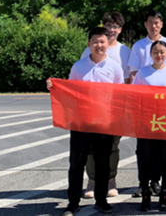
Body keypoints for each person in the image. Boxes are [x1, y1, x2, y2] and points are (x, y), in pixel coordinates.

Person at [49, 26, 122, 216]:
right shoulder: (78, 66)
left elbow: (121, 95)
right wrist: (55, 87)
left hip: (104, 123)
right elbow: (69, 92)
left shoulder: (114, 67)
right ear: (89, 44)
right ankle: (73, 202)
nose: (99, 45)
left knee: (102, 163)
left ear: (108, 44)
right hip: (81, 123)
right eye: (95, 41)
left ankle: (101, 200)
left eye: (102, 41)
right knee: (77, 163)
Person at [127, 11, 166, 198]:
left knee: (161, 150)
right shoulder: (139, 49)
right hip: (146, 113)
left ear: (161, 24)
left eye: (157, 22)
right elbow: (133, 75)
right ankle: (143, 183)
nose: (154, 26)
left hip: (164, 114)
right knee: (143, 150)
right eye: (150, 22)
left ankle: (156, 181)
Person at [80, 12, 130, 199]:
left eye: (115, 26)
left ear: (120, 29)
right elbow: (78, 80)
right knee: (91, 148)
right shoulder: (88, 51)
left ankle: (110, 180)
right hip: (90, 109)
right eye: (108, 26)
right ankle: (92, 181)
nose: (111, 29)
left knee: (112, 146)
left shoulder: (125, 51)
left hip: (113, 108)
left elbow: (127, 80)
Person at [132, 40, 166, 212]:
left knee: (164, 158)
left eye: (162, 52)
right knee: (145, 157)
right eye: (155, 52)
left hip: (165, 122)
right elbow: (135, 95)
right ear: (150, 54)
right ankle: (145, 194)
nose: (159, 55)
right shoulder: (143, 72)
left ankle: (164, 195)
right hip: (146, 122)